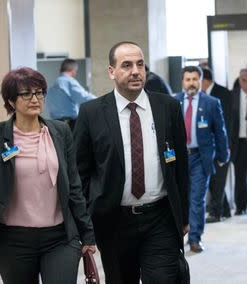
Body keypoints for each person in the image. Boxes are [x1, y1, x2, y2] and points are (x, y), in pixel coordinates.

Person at [74, 41, 189, 284]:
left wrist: (184, 215)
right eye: (126, 65)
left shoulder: (168, 107)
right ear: (111, 71)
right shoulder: (91, 112)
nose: (135, 71)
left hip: (160, 218)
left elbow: (181, 167)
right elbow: (80, 173)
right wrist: (85, 224)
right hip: (113, 221)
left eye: (140, 64)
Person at [0, 67, 96, 284]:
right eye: (26, 94)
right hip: (14, 240)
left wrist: (87, 233)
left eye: (39, 92)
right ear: (10, 101)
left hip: (60, 237)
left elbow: (74, 186)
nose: (35, 98)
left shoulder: (60, 131)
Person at [175, 66, 229, 253]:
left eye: (194, 79)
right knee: (178, 199)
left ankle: (195, 238)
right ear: (182, 81)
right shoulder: (174, 102)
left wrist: (223, 156)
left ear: (200, 81)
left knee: (197, 198)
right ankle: (177, 236)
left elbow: (220, 132)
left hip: (200, 157)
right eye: (188, 79)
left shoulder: (211, 103)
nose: (191, 82)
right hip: (177, 159)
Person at [201, 68, 232, 223]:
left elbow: (228, 123)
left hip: (222, 144)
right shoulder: (203, 96)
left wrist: (226, 146)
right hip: (209, 145)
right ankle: (225, 209)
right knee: (215, 179)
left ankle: (216, 213)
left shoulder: (223, 93)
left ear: (205, 80)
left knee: (217, 180)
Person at [45, 58, 95, 130]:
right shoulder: (69, 81)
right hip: (69, 124)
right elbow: (83, 97)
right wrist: (100, 100)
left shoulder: (53, 85)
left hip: (55, 124)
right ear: (74, 70)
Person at [230, 67, 247, 215]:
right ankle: (241, 207)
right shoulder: (232, 96)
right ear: (240, 81)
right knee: (240, 178)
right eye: (244, 81)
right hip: (240, 143)